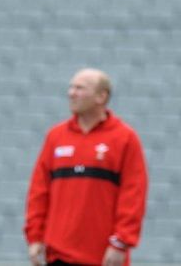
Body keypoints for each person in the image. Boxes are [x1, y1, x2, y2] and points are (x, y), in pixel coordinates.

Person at [23, 68, 148, 266]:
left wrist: (120, 243)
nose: (71, 93)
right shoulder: (56, 137)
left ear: (101, 96)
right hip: (58, 255)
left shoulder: (125, 138)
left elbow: (133, 195)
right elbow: (39, 191)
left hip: (104, 258)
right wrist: (35, 236)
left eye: (80, 88)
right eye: (71, 87)